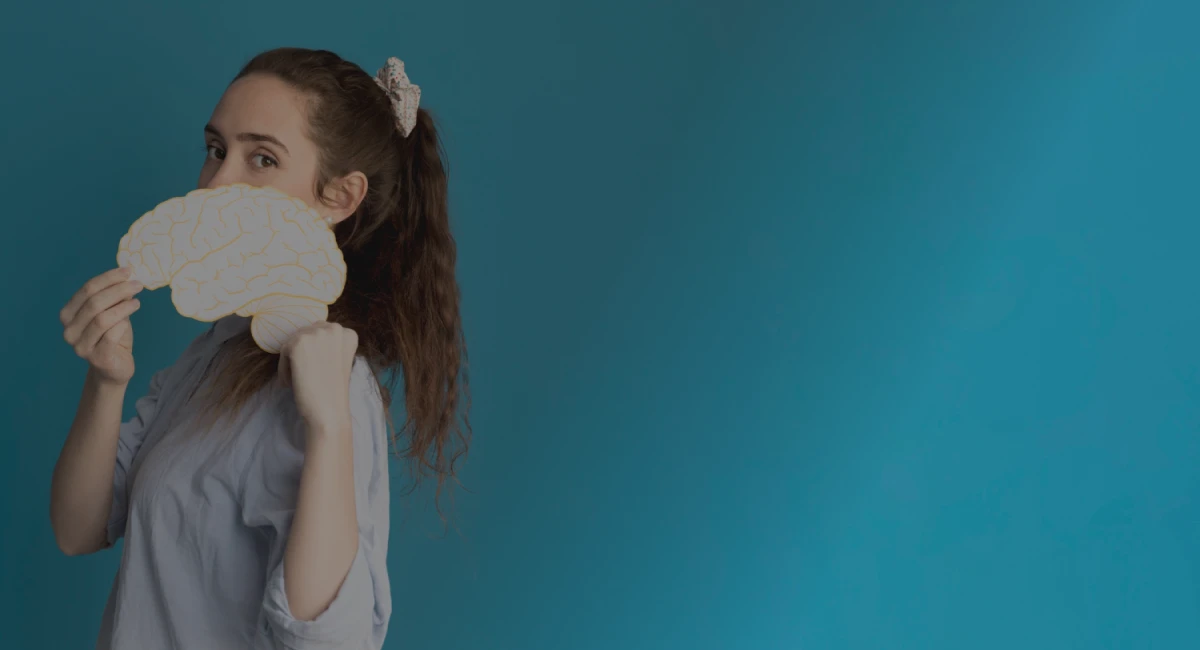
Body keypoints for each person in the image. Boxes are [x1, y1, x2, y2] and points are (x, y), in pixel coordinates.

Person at [49, 47, 470, 649]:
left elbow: (334, 642)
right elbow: (78, 530)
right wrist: (107, 381)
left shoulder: (335, 391)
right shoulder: (212, 351)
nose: (218, 183)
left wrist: (329, 429)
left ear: (339, 198)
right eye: (215, 150)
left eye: (263, 158)